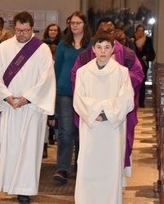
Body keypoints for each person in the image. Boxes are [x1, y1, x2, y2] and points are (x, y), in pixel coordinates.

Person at [0, 11, 55, 204]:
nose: (22, 34)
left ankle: (25, 190)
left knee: (29, 150)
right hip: (10, 106)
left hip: (31, 109)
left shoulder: (42, 49)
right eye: (18, 30)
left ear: (32, 28)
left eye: (26, 30)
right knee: (9, 146)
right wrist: (6, 96)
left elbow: (46, 78)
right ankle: (11, 184)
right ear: (13, 28)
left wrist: (27, 98)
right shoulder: (3, 48)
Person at [71, 17, 144, 177]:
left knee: (113, 159)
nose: (103, 50)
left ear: (115, 33)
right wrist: (94, 109)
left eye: (109, 31)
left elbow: (138, 75)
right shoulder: (85, 57)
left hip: (115, 116)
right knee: (90, 157)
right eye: (102, 31)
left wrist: (117, 84)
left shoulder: (127, 54)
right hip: (92, 118)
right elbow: (76, 79)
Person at [73, 31, 134, 203]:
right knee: (89, 166)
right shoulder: (83, 72)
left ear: (113, 49)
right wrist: (96, 114)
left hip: (112, 128)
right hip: (91, 126)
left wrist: (106, 113)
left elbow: (126, 99)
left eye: (107, 47)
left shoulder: (122, 72)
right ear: (93, 49)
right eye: (99, 47)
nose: (103, 51)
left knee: (109, 167)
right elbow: (78, 99)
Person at [53, 11, 92, 185]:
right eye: (72, 23)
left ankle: (80, 165)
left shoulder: (91, 45)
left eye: (78, 22)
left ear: (85, 24)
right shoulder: (63, 44)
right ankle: (62, 168)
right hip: (65, 91)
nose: (74, 25)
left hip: (85, 93)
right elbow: (57, 68)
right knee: (66, 131)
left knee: (82, 132)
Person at [133, 24, 156, 108]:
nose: (140, 32)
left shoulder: (148, 40)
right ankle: (133, 102)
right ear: (136, 31)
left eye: (142, 30)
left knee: (142, 84)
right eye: (139, 30)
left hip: (143, 65)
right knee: (133, 84)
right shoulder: (132, 40)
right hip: (133, 66)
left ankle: (141, 102)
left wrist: (146, 57)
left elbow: (152, 54)